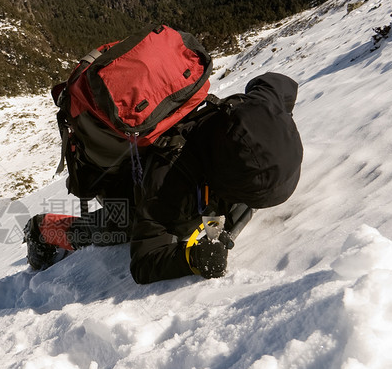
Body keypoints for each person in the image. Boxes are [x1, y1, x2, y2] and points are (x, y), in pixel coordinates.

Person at [24, 72, 303, 284]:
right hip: (131, 181)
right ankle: (41, 229)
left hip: (170, 150)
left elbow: (276, 83)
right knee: (117, 226)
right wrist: (192, 259)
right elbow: (144, 263)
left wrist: (271, 122)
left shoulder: (253, 113)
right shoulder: (166, 186)